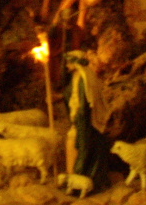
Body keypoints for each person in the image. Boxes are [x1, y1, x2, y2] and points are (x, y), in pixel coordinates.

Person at [64, 50, 110, 193]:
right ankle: (73, 179)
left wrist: (78, 120)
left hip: (86, 122)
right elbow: (71, 95)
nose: (67, 65)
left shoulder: (84, 78)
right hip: (80, 119)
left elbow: (84, 103)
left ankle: (79, 180)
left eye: (69, 62)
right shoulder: (77, 75)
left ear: (76, 63)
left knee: (79, 145)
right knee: (73, 143)